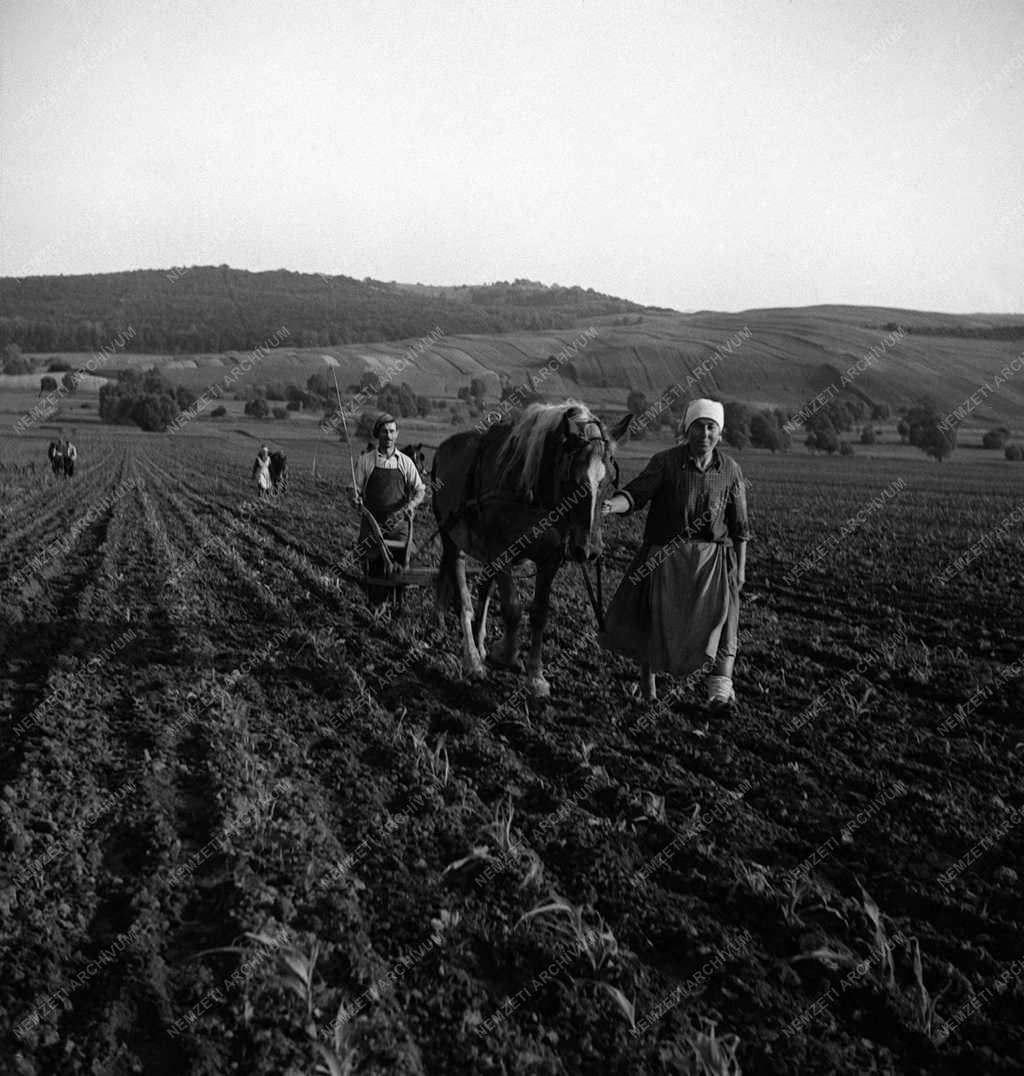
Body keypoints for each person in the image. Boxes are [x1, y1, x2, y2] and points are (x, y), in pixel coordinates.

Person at [599, 398, 750, 714]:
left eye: (711, 428)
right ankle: (648, 689)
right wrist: (612, 505)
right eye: (698, 427)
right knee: (652, 620)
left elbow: (740, 527)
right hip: (665, 557)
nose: (704, 434)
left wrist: (740, 570)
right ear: (687, 430)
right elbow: (637, 494)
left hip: (714, 561)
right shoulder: (665, 462)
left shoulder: (731, 470)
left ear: (719, 434)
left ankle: (720, 694)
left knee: (722, 623)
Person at [352, 413, 426, 606]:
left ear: (397, 434)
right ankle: (375, 605)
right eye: (385, 431)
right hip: (372, 526)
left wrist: (411, 505)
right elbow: (355, 491)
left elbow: (420, 490)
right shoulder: (366, 461)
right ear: (378, 435)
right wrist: (355, 500)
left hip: (399, 527)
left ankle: (399, 605)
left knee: (402, 572)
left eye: (392, 431)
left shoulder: (405, 462)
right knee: (375, 574)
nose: (389, 436)